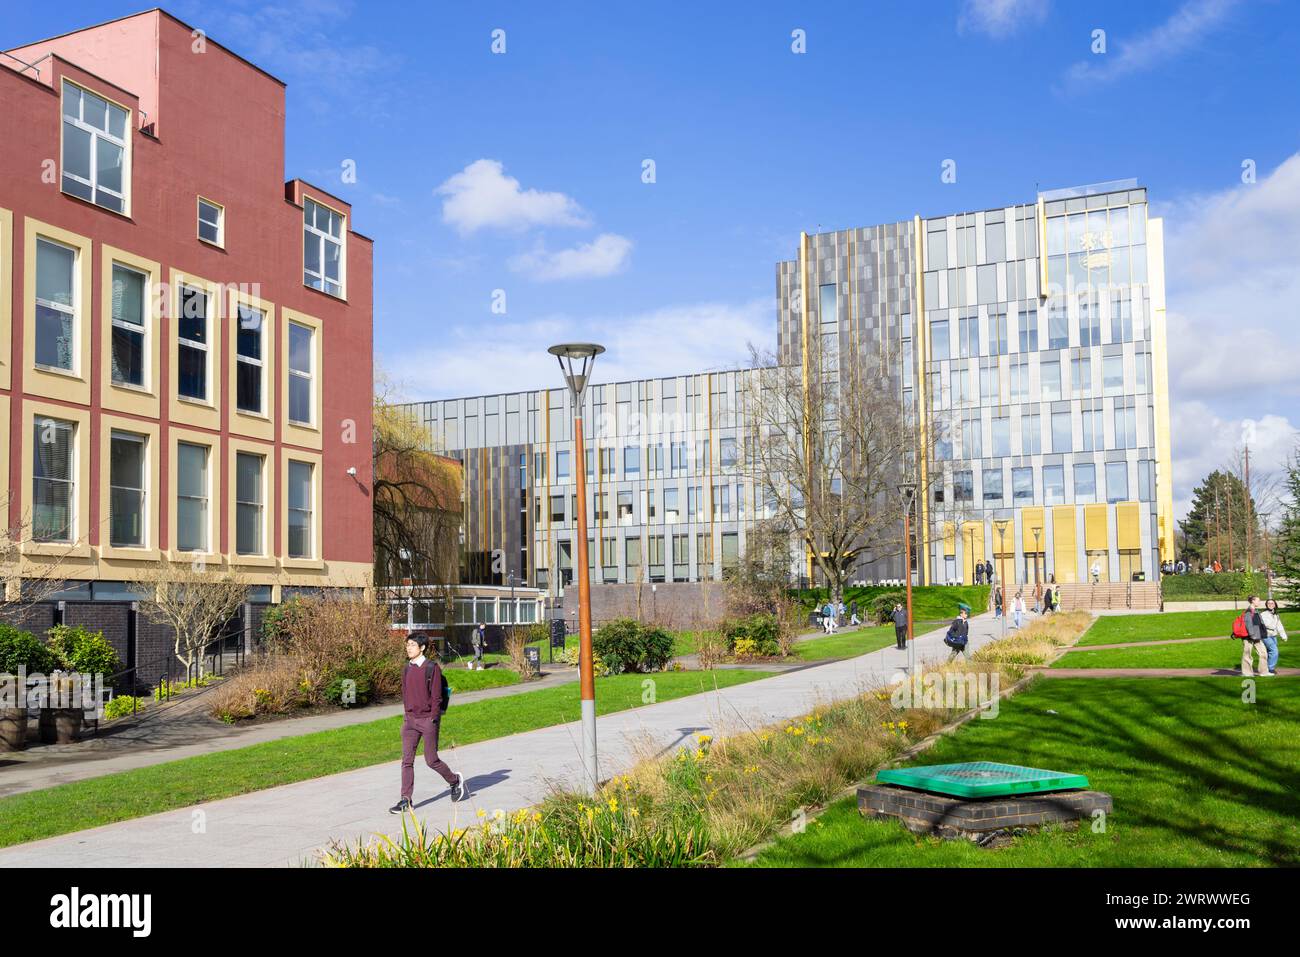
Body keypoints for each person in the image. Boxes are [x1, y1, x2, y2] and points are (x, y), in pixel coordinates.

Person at [390, 634, 469, 814]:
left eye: (412, 645)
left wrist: (433, 718)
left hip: (427, 720)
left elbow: (436, 697)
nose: (408, 648)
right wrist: (407, 714)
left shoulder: (431, 668)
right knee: (406, 761)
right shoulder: (406, 669)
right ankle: (406, 800)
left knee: (431, 760)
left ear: (422, 647)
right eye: (407, 645)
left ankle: (455, 780)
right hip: (410, 720)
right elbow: (405, 692)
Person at [1238, 596, 1272, 677]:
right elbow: (1248, 624)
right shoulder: (1248, 611)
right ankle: (1247, 673)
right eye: (1258, 601)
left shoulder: (1256, 610)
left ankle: (1264, 672)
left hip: (1257, 636)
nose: (1259, 602)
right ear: (1253, 601)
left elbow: (1259, 624)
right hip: (1248, 637)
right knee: (1247, 654)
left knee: (1263, 652)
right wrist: (1252, 634)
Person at [1261, 598, 1289, 675]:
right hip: (1266, 635)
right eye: (1268, 603)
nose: (1270, 605)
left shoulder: (1276, 614)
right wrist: (1274, 623)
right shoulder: (1263, 614)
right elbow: (1267, 625)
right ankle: (1270, 668)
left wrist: (1284, 636)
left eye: (1272, 603)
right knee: (1274, 651)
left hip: (1273, 636)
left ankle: (1265, 669)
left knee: (1269, 652)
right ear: (1266, 605)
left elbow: (1279, 626)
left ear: (1275, 605)